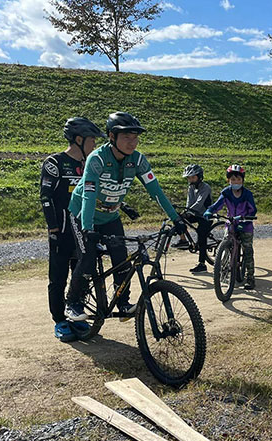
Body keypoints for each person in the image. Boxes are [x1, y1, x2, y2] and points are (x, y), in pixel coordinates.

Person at [64, 112, 186, 322]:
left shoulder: (138, 160)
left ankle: (123, 301)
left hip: (110, 215)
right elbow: (89, 194)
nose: (133, 142)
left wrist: (176, 219)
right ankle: (72, 302)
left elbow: (155, 191)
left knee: (122, 261)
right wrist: (87, 228)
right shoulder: (97, 159)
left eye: (135, 137)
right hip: (83, 213)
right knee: (87, 260)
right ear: (112, 137)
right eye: (127, 137)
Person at [40, 117, 104, 341]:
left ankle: (76, 316)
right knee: (58, 277)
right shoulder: (54, 163)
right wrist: (54, 229)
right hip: (62, 232)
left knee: (81, 275)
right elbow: (46, 197)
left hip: (82, 231)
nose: (94, 144)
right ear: (78, 140)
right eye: (92, 140)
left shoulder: (89, 165)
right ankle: (59, 319)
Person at [204, 165, 257, 290]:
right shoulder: (226, 192)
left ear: (242, 180)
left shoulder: (247, 194)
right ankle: (222, 270)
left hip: (245, 225)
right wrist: (209, 211)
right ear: (229, 181)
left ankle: (250, 278)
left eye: (238, 180)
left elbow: (253, 210)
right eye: (233, 180)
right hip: (231, 223)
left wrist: (244, 218)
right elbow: (217, 205)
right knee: (225, 245)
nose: (236, 182)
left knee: (248, 250)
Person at [173, 164, 213, 274]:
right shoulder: (191, 187)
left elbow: (199, 203)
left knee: (201, 235)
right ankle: (183, 240)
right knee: (176, 218)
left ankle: (202, 264)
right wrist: (185, 213)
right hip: (195, 213)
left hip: (206, 215)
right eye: (189, 177)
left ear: (199, 176)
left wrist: (188, 211)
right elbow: (189, 203)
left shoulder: (206, 188)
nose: (190, 180)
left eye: (193, 177)